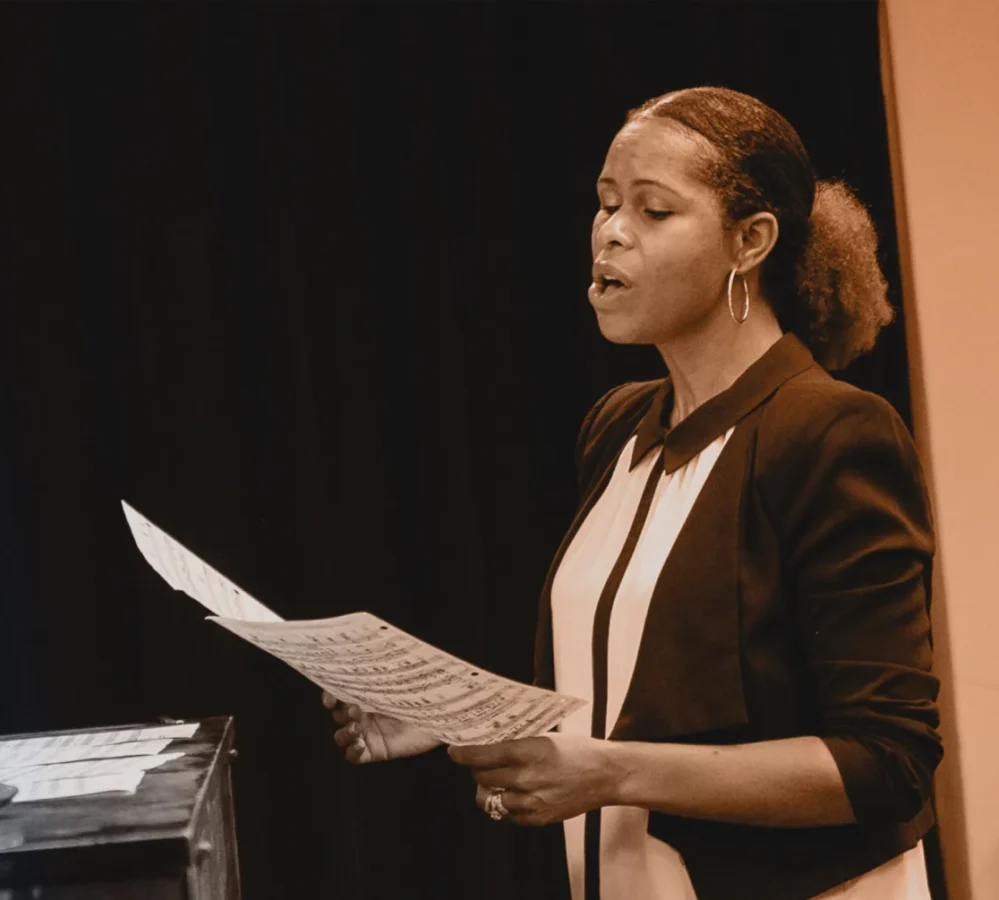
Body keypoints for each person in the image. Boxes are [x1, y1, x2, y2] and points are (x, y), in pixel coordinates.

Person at [326, 86, 939, 900]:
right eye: (606, 203)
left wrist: (609, 771)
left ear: (750, 241)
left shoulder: (830, 433)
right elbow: (649, 686)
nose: (609, 233)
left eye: (653, 211)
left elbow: (885, 762)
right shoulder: (618, 426)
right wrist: (451, 714)